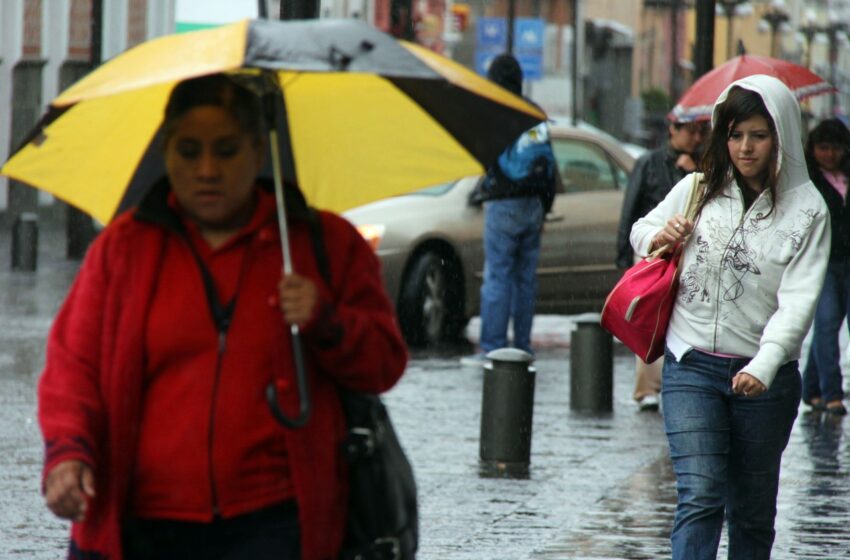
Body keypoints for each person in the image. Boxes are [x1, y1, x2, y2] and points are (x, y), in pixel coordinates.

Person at [37, 74, 408, 560]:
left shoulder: (324, 245)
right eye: (189, 152)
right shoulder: (125, 248)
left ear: (259, 152)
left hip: (277, 525)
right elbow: (73, 365)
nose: (207, 170)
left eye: (227, 150)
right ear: (166, 153)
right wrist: (68, 452)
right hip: (143, 525)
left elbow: (383, 363)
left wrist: (326, 319)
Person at [630, 74, 830, 559]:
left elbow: (798, 301)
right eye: (735, 135)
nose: (745, 148)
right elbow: (641, 230)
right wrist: (659, 238)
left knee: (752, 513)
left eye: (758, 136)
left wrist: (763, 365)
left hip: (765, 381)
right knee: (700, 495)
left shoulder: (808, 211)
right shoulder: (698, 188)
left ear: (780, 136)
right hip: (690, 363)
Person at [461, 53, 556, 366]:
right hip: (533, 204)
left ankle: (493, 348)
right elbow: (550, 166)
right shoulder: (533, 111)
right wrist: (544, 207)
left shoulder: (494, 110)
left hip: (504, 203)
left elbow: (485, 159)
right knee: (525, 279)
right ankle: (524, 346)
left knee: (498, 276)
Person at [616, 118, 707, 411]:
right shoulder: (650, 163)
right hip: (653, 251)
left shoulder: (702, 165)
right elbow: (633, 209)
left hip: (689, 253)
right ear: (673, 130)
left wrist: (691, 170)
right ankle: (648, 388)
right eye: (689, 131)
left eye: (698, 132)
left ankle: (680, 380)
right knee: (649, 316)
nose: (694, 138)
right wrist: (622, 254)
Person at [801, 118, 850, 416]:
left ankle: (811, 389)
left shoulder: (846, 177)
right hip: (823, 263)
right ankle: (832, 392)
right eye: (823, 148)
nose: (830, 154)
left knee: (827, 327)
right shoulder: (807, 181)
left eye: (836, 148)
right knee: (828, 323)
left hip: (849, 261)